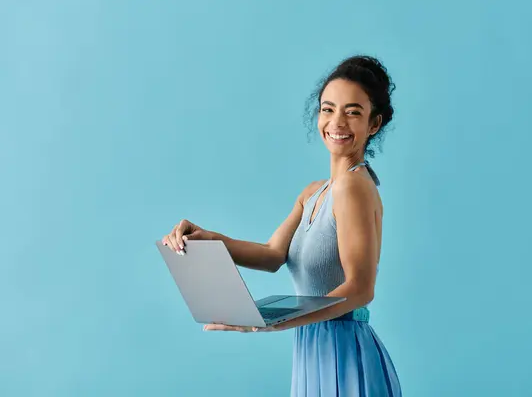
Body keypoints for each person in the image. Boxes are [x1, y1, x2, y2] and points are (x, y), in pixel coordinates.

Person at [162, 55, 402, 396]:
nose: (337, 122)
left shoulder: (353, 187)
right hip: (313, 345)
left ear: (373, 124)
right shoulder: (314, 192)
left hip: (343, 350)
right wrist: (208, 239)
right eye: (328, 108)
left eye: (353, 112)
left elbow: (361, 288)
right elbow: (273, 255)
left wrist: (272, 322)